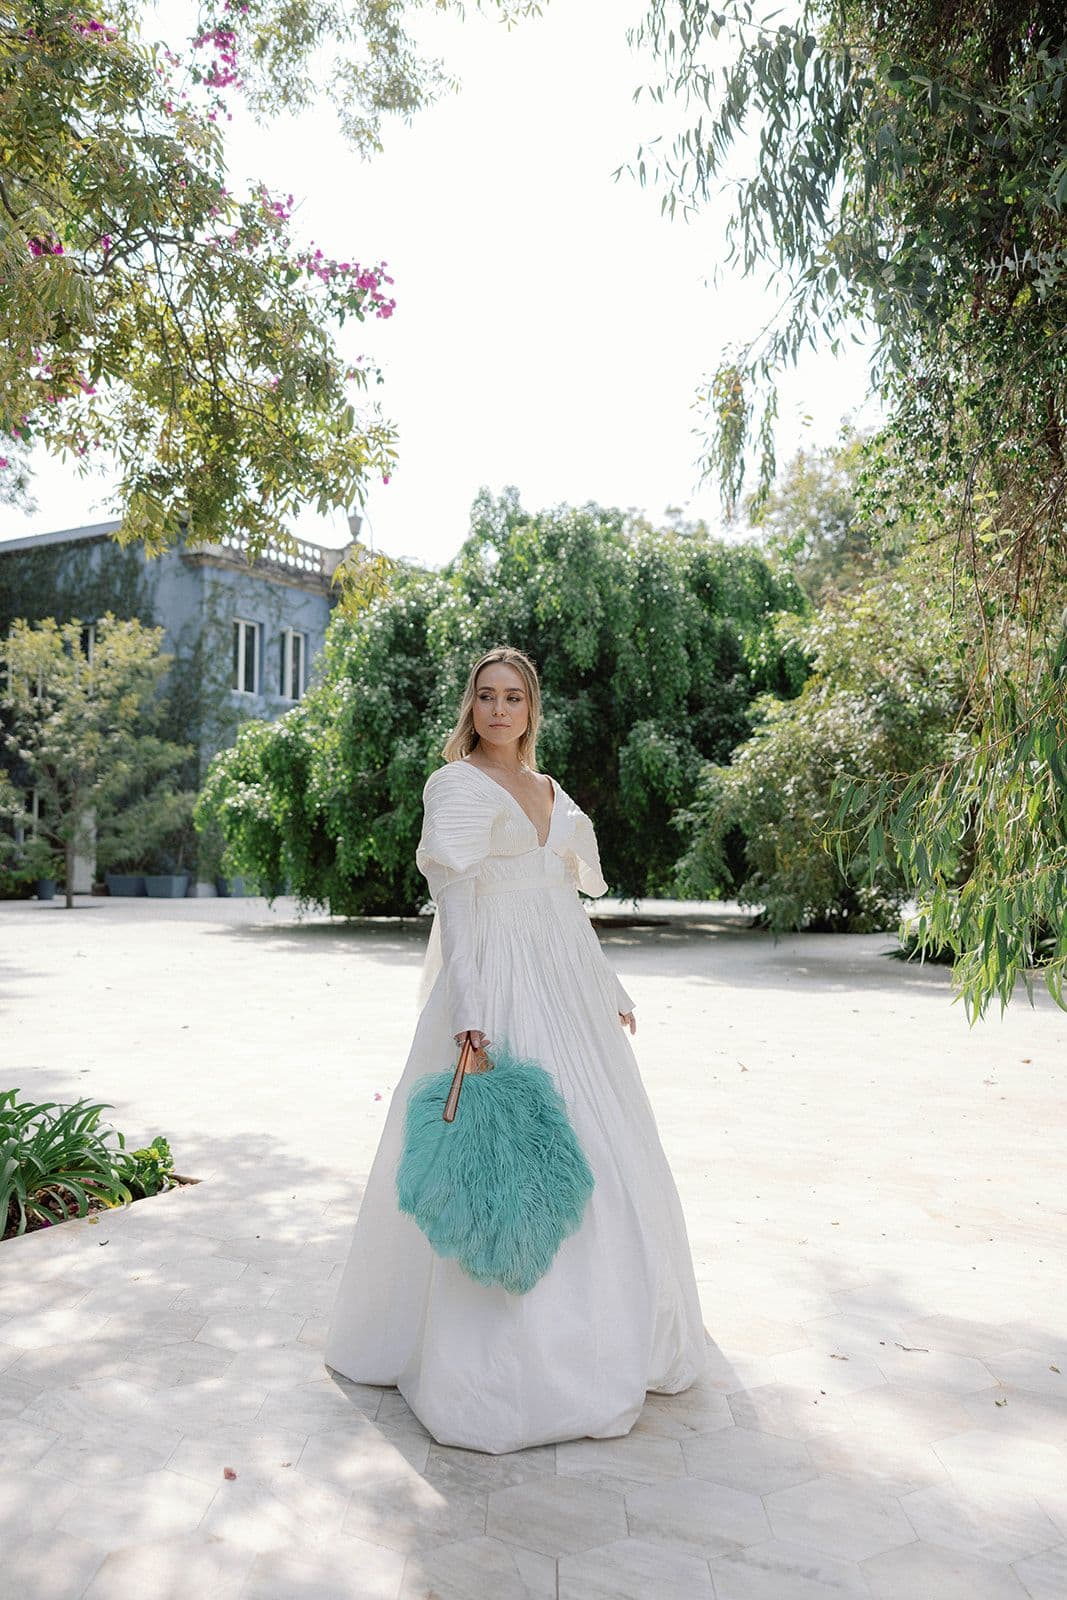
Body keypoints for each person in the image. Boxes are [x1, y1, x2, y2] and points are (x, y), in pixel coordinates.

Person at [324, 643, 706, 1453]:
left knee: (602, 1144)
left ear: (532, 709)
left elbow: (567, 902)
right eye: (487, 696)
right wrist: (469, 1008)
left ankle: (612, 1337)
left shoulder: (549, 789)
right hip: (494, 976)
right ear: (470, 706)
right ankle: (497, 1367)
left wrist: (607, 986)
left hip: (563, 978)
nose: (499, 709)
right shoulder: (455, 786)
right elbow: (457, 907)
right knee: (504, 1148)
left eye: (514, 697)